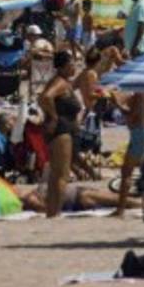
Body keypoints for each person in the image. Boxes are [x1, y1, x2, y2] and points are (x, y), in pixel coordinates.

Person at [38, 51, 80, 218]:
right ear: (63, 67)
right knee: (62, 174)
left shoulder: (63, 82)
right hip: (61, 130)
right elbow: (45, 97)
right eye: (71, 64)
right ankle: (56, 212)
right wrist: (54, 117)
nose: (74, 67)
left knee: (56, 174)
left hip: (61, 129)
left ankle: (52, 212)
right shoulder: (60, 83)